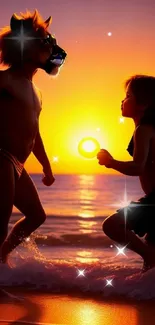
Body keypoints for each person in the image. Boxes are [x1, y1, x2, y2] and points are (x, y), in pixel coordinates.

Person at [0, 9, 67, 264]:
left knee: (37, 216)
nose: (54, 48)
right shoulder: (5, 80)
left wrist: (46, 165)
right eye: (48, 42)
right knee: (0, 219)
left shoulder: (37, 92)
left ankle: (2, 256)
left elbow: (34, 131)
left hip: (17, 164)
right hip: (2, 157)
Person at [97, 75, 155, 272]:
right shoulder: (145, 129)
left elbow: (138, 167)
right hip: (152, 198)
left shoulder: (144, 130)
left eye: (128, 96)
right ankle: (144, 295)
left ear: (144, 104)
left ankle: (149, 258)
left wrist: (112, 163)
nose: (122, 100)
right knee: (150, 261)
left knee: (113, 226)